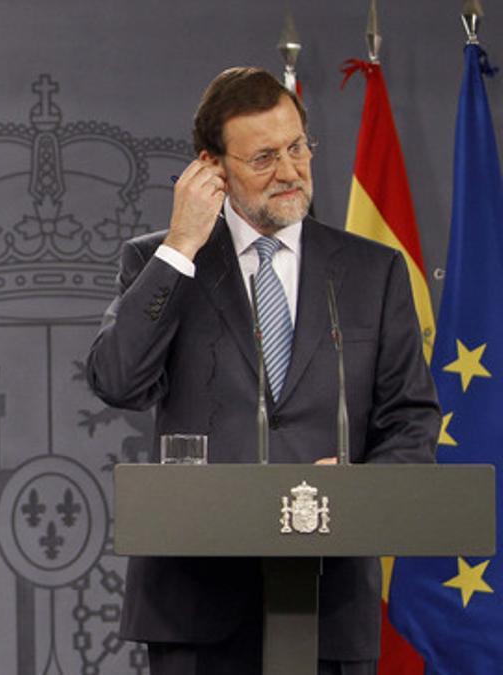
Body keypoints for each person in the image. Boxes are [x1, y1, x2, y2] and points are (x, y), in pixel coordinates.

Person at [85, 68, 439, 674]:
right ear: (212, 167)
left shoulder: (371, 271)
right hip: (195, 606)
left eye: (298, 146)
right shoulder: (159, 261)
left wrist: (362, 488)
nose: (290, 171)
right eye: (265, 157)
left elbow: (410, 417)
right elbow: (118, 381)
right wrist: (181, 246)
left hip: (330, 601)